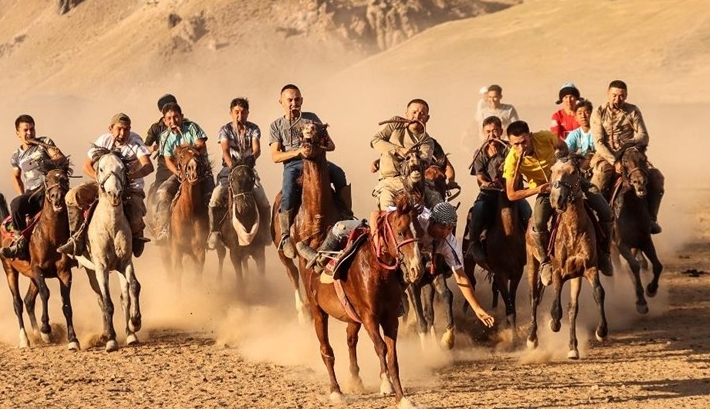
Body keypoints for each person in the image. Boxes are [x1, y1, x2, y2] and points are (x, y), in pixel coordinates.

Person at [308, 202, 495, 328]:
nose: (447, 232)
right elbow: (376, 214)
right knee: (341, 227)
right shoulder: (417, 218)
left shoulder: (449, 243)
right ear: (433, 222)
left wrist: (478, 309)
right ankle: (318, 259)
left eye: (450, 228)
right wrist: (375, 238)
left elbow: (461, 276)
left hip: (406, 257)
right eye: (444, 228)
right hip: (385, 241)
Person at [503, 121, 613, 286]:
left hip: (569, 182)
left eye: (524, 141)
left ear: (530, 136)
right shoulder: (512, 159)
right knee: (538, 223)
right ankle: (546, 262)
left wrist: (561, 162)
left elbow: (563, 147)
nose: (521, 147)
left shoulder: (545, 137)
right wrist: (539, 189)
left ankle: (604, 254)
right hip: (545, 192)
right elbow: (511, 194)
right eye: (516, 144)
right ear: (511, 144)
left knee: (605, 211)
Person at [269, 84, 350, 259]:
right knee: (289, 188)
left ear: (302, 101)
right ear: (281, 102)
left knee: (338, 173)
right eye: (289, 100)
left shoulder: (311, 118)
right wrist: (298, 152)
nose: (293, 103)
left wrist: (316, 146)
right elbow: (275, 156)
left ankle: (346, 213)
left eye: (297, 99)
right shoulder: (276, 125)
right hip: (293, 165)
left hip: (316, 160)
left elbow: (331, 145)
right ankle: (284, 235)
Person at [58, 113, 153, 257]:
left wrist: (129, 177)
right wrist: (101, 180)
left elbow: (148, 166)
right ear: (110, 128)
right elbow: (86, 166)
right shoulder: (103, 140)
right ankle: (76, 237)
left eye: (126, 129)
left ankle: (136, 236)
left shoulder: (135, 142)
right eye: (119, 129)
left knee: (135, 213)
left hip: (130, 187)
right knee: (72, 196)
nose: (122, 133)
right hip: (103, 185)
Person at [591, 80, 665, 234]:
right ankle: (599, 220)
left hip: (630, 154)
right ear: (608, 94)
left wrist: (628, 145)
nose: (618, 99)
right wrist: (614, 161)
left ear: (626, 96)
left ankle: (651, 219)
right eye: (614, 95)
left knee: (656, 178)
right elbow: (598, 142)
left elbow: (643, 135)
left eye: (621, 96)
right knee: (600, 181)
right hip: (606, 156)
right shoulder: (598, 112)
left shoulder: (633, 111)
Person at [0, 115, 67, 259]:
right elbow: (16, 177)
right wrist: (22, 194)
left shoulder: (44, 143)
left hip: (50, 188)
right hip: (33, 193)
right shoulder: (16, 156)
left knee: (74, 202)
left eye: (32, 129)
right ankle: (20, 242)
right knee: (16, 204)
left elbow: (60, 157)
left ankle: (78, 241)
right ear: (18, 133)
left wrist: (47, 163)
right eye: (25, 130)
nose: (30, 133)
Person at [465, 116, 531, 264]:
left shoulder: (511, 148)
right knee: (478, 210)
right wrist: (486, 183)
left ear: (501, 131)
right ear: (483, 133)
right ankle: (474, 243)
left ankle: (535, 247)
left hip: (511, 193)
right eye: (488, 131)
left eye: (495, 131)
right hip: (489, 193)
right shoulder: (479, 152)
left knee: (527, 212)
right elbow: (480, 176)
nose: (492, 135)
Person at [207, 97, 271, 249]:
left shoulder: (253, 129)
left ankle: (266, 231)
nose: (239, 116)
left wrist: (251, 159)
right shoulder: (225, 130)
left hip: (248, 170)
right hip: (229, 169)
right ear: (231, 113)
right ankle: (214, 231)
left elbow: (257, 149)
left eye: (243, 112)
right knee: (216, 196)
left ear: (248, 113)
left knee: (262, 198)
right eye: (236, 112)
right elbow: (225, 150)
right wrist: (232, 166)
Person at [151, 102, 211, 242]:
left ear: (181, 116)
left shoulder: (192, 128)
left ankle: (215, 232)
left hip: (201, 171)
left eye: (176, 117)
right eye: (169, 118)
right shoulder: (165, 137)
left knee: (212, 197)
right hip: (181, 174)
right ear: (165, 121)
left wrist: (187, 150)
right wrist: (177, 173)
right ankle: (164, 229)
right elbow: (167, 159)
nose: (173, 121)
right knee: (162, 193)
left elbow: (201, 145)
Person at [371, 99, 441, 209]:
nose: (417, 116)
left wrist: (412, 157)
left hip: (415, 184)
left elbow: (424, 161)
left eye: (422, 114)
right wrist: (398, 150)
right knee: (386, 214)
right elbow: (376, 141)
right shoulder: (395, 124)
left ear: (427, 118)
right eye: (414, 112)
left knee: (441, 210)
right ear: (406, 114)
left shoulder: (427, 141)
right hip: (389, 182)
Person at [144, 93, 178, 206]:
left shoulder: (187, 125)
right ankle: (159, 219)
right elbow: (143, 148)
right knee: (158, 194)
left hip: (184, 166)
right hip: (164, 168)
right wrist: (154, 148)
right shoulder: (156, 128)